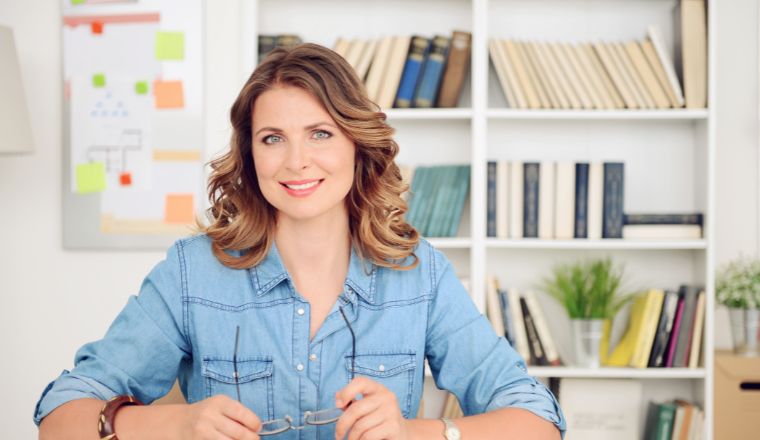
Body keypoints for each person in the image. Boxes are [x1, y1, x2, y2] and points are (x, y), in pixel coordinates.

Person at [35, 43, 565, 440]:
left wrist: (415, 432)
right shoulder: (192, 273)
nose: (296, 162)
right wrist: (177, 424)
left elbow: (538, 421)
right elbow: (60, 417)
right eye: (272, 139)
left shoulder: (418, 275)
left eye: (320, 133)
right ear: (250, 155)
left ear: (357, 143)